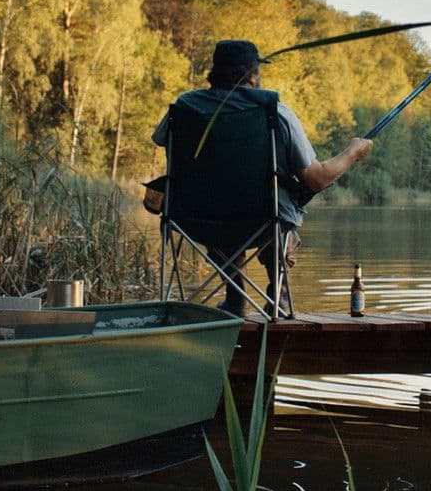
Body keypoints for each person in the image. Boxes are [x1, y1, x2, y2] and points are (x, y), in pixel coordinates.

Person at [153, 39, 373, 315]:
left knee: (221, 206)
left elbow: (160, 138)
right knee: (278, 210)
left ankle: (235, 298)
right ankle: (276, 294)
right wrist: (352, 151)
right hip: (262, 219)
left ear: (215, 73)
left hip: (196, 218)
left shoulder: (183, 108)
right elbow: (316, 179)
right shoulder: (274, 112)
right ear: (254, 76)